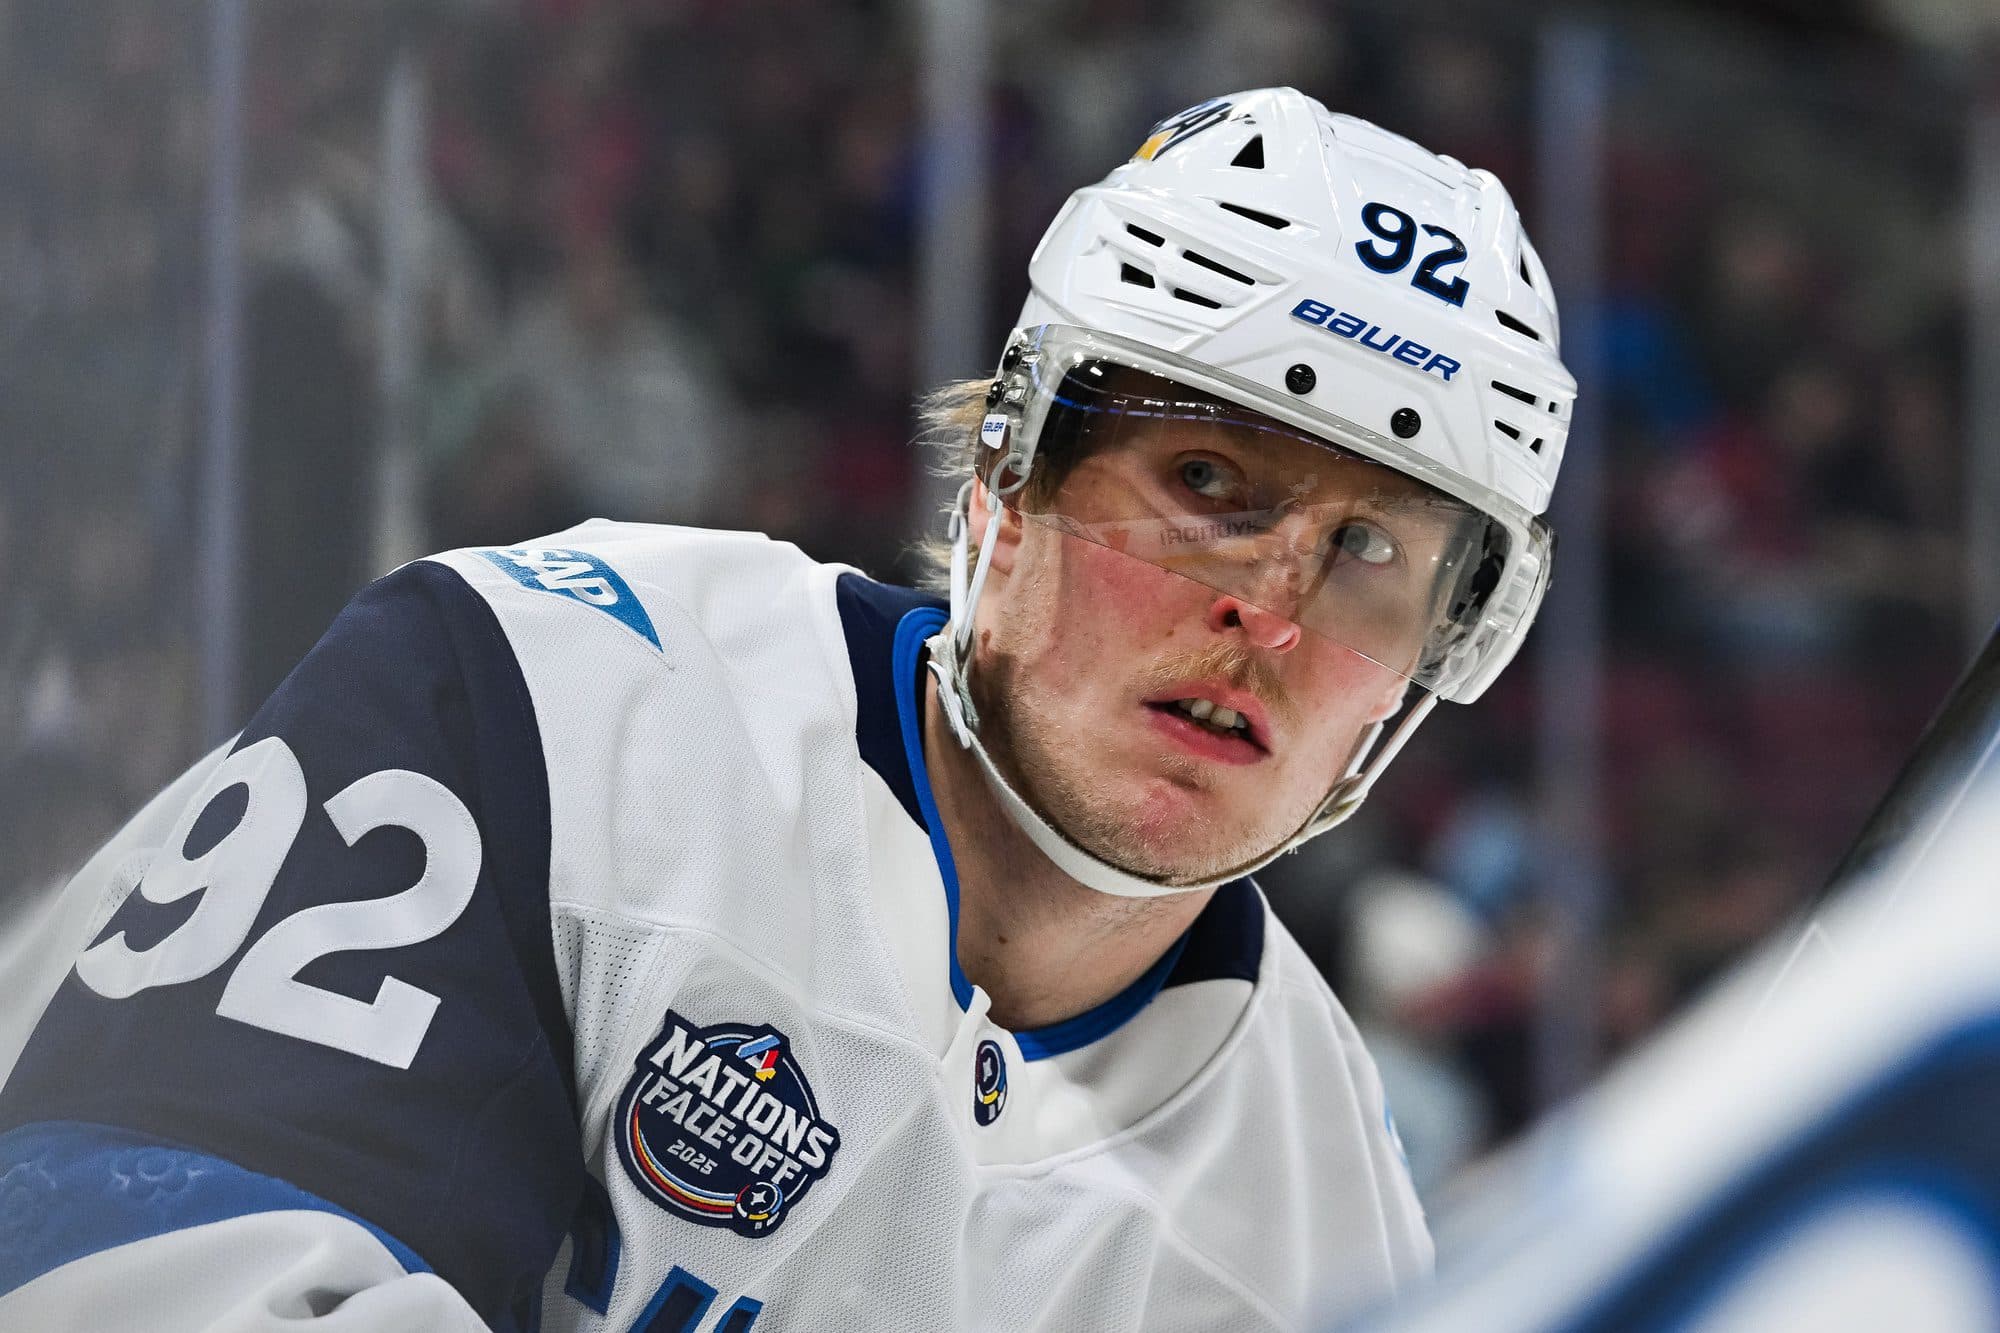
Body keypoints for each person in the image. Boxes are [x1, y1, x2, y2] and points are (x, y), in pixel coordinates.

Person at [0, 88, 1574, 1331]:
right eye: (1209, 484)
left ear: (1439, 660)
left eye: (1368, 554)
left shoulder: (1328, 1229)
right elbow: (109, 1244)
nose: (1272, 613)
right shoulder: (541, 696)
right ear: (1009, 478)